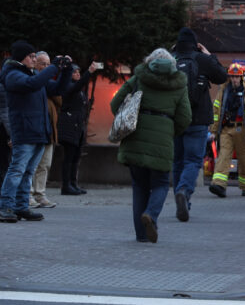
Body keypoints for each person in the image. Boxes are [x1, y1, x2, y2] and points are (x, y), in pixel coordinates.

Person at [111, 48, 191, 242]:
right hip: (162, 141)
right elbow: (185, 117)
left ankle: (141, 235)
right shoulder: (179, 84)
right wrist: (170, 131)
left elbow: (115, 104)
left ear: (150, 61)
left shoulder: (139, 79)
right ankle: (152, 215)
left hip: (135, 139)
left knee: (139, 187)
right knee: (162, 184)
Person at [0, 41, 71, 223]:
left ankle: (21, 207)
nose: (34, 59)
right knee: (17, 170)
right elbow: (33, 84)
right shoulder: (13, 75)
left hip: (39, 131)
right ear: (21, 57)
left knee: (28, 172)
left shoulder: (32, 75)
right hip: (24, 130)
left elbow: (57, 89)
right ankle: (5, 207)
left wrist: (66, 70)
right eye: (31, 56)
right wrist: (54, 66)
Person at [171, 27, 228, 222]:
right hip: (198, 118)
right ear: (196, 44)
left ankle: (182, 200)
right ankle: (184, 191)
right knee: (193, 160)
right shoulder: (201, 59)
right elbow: (222, 76)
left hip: (174, 118)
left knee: (177, 160)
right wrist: (209, 55)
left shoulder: (170, 59)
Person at [208, 63, 245, 198]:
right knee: (224, 156)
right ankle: (219, 184)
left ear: (242, 77)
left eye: (237, 77)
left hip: (242, 130)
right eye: (232, 77)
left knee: (244, 159)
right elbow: (216, 112)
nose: (235, 80)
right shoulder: (223, 92)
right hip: (226, 129)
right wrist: (213, 131)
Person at [58, 61, 97, 196]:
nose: (77, 74)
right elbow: (78, 86)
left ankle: (73, 183)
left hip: (78, 127)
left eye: (79, 72)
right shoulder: (68, 87)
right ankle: (66, 185)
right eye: (74, 72)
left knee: (75, 157)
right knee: (68, 157)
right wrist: (89, 72)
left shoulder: (78, 90)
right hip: (69, 127)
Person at [29, 52, 61, 207]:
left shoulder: (48, 83)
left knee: (45, 164)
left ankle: (40, 194)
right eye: (43, 64)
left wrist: (64, 71)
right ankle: (27, 195)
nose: (46, 67)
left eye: (49, 64)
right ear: (35, 64)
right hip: (34, 131)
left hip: (48, 130)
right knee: (30, 165)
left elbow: (60, 92)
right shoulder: (32, 81)